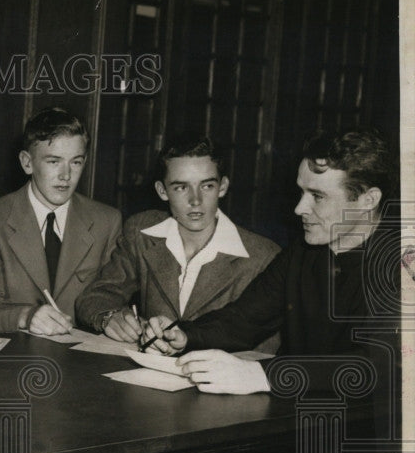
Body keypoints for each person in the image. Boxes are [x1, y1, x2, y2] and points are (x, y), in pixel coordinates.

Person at [144, 127, 400, 398]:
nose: (299, 208)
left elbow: (381, 364)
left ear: (367, 200)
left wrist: (262, 374)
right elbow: (244, 319)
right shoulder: (304, 252)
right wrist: (184, 336)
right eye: (301, 192)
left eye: (318, 196)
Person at [76, 135, 280, 350]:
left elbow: (264, 351)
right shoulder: (142, 232)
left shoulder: (262, 257)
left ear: (223, 187)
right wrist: (111, 317)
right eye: (181, 187)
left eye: (207, 186)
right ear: (162, 191)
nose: (195, 201)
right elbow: (96, 296)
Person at [0, 107, 121, 335]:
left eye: (76, 162)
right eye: (53, 161)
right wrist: (26, 316)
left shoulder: (107, 221)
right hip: (12, 360)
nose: (66, 175)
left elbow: (111, 300)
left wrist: (117, 318)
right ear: (27, 162)